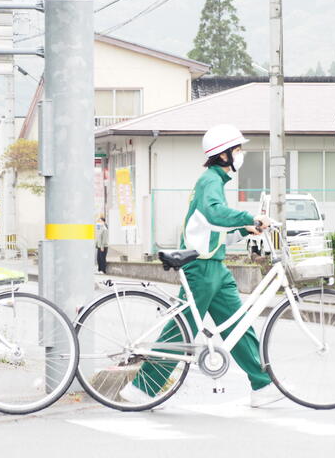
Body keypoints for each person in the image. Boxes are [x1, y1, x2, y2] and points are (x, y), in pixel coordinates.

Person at [119, 124, 284, 408]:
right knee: (181, 330)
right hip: (201, 268)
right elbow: (214, 214)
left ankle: (262, 385)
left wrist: (245, 229)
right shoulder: (210, 181)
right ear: (224, 155)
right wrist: (250, 218)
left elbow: (214, 231)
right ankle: (142, 389)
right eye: (237, 150)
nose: (241, 154)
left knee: (239, 325)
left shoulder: (215, 181)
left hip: (215, 267)